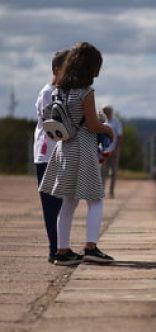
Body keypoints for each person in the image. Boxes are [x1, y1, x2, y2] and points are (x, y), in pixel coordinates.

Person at [39, 42, 115, 266]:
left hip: (65, 148)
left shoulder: (60, 90)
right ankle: (91, 247)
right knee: (95, 200)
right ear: (91, 67)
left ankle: (62, 251)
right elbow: (91, 125)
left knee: (68, 203)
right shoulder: (86, 92)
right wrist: (107, 128)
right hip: (83, 148)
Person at [33, 49, 69, 263]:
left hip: (58, 153)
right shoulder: (48, 92)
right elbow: (52, 126)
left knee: (63, 203)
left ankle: (60, 248)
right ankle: (55, 249)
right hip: (47, 154)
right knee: (52, 205)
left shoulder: (62, 91)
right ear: (57, 70)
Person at [100, 103, 123, 198]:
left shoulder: (116, 122)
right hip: (103, 151)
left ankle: (111, 192)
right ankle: (102, 191)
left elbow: (120, 136)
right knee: (103, 172)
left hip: (113, 151)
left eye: (108, 112)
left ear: (111, 112)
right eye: (105, 112)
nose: (106, 113)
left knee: (114, 172)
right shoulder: (100, 121)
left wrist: (117, 149)